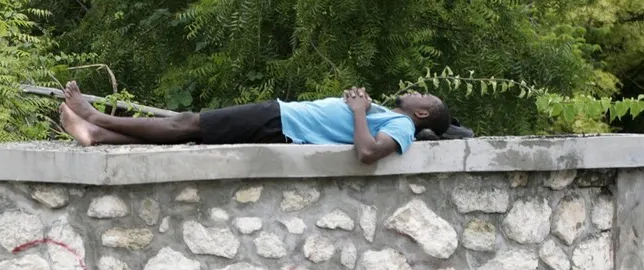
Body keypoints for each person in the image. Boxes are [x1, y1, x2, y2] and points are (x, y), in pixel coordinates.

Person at [60, 82, 451, 163]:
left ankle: (96, 118)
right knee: (194, 134)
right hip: (280, 121)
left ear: (421, 113)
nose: (419, 91)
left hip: (281, 123)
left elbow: (367, 152)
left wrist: (358, 111)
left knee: (187, 123)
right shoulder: (388, 115)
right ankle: (97, 135)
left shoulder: (401, 128)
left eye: (426, 98)